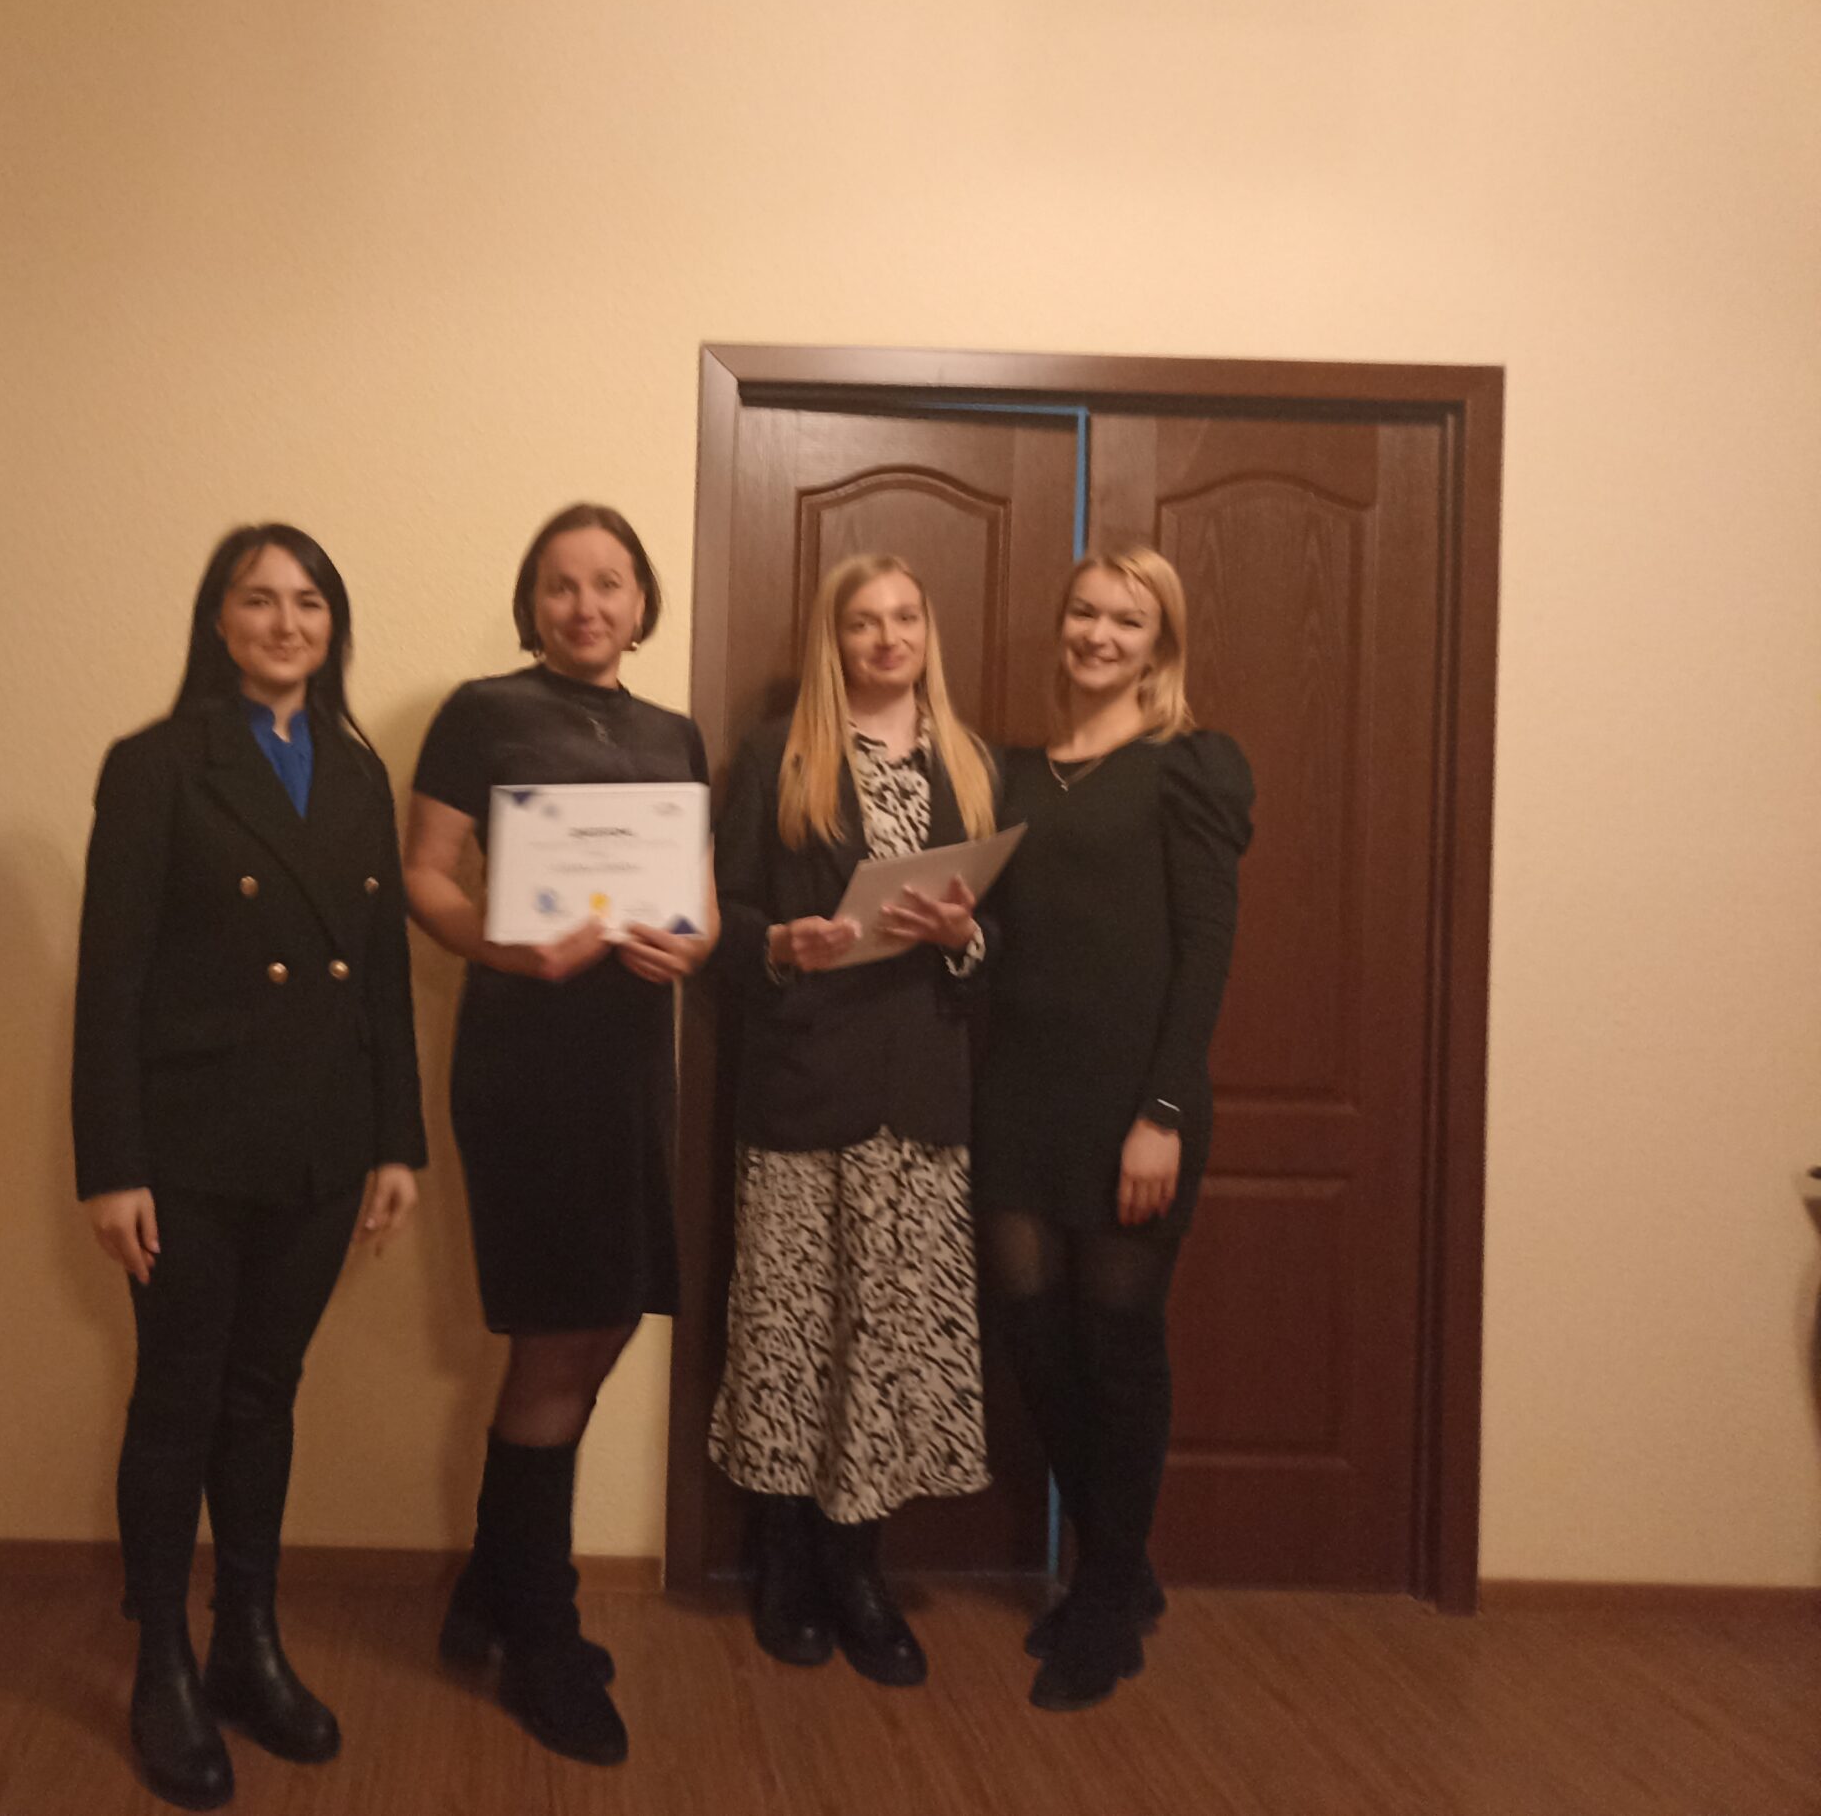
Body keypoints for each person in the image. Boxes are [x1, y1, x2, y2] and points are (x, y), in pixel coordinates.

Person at [72, 525, 428, 1810]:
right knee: (178, 1395)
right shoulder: (156, 764)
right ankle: (162, 1661)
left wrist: (397, 1138)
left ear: (333, 624)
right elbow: (109, 978)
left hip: (323, 1140)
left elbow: (379, 969)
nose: (286, 622)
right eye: (259, 599)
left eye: (309, 601)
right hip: (190, 1146)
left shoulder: (358, 768)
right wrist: (111, 1164)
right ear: (217, 620)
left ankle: (247, 1640)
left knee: (265, 1393)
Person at [402, 503, 714, 1766]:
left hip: (632, 1063)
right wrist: (505, 945)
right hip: (524, 1063)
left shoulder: (674, 732)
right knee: (555, 1332)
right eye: (561, 585)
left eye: (609, 583)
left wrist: (691, 942)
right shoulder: (481, 711)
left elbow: (694, 898)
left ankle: (491, 1587)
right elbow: (425, 874)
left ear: (641, 603)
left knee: (606, 1318)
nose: (586, 605)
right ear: (531, 603)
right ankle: (542, 1630)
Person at [706, 553, 996, 1687]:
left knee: (887, 1340)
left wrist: (962, 938)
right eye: (863, 621)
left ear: (928, 629)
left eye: (905, 617)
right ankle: (782, 1562)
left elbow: (999, 943)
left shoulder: (969, 762)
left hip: (920, 1101)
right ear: (834, 640)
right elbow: (719, 918)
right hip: (802, 1086)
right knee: (791, 1336)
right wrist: (779, 943)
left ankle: (857, 1567)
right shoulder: (777, 755)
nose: (887, 637)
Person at [972, 545, 1254, 1713]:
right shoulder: (1011, 773)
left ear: (1159, 644)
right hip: (1015, 1098)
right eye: (1083, 612)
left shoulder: (1190, 764)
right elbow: (1005, 935)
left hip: (1134, 1104)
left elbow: (1205, 951)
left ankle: (1101, 1600)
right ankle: (1120, 1570)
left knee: (1118, 1346)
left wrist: (1163, 1112)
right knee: (1035, 1340)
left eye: (1126, 621)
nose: (1097, 634)